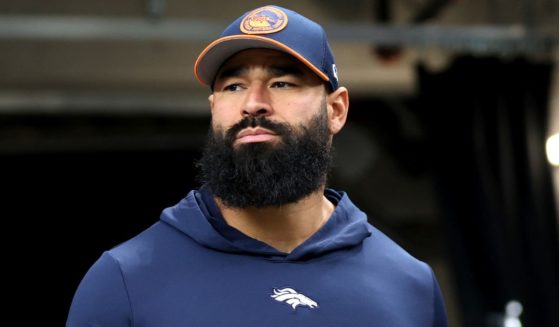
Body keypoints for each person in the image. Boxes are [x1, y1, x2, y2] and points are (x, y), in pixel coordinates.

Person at [66, 5, 448, 326]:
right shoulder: (125, 280)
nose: (253, 103)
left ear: (336, 110)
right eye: (233, 86)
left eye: (282, 83)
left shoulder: (408, 285)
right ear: (214, 110)